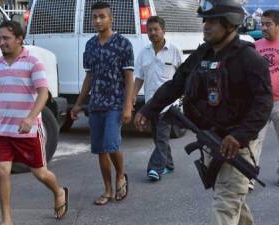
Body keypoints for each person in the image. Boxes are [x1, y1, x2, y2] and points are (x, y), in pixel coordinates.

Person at [134, 0, 272, 224]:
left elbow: (263, 103)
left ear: (230, 24)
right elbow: (176, 84)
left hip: (236, 146)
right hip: (210, 140)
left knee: (225, 205)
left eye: (213, 21)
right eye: (205, 20)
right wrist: (149, 108)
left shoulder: (249, 59)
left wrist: (239, 136)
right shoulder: (203, 55)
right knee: (231, 199)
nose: (206, 26)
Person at [0, 21, 68, 225]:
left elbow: (43, 93)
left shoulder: (33, 62)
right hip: (4, 130)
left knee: (39, 172)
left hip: (29, 132)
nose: (1, 42)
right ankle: (7, 219)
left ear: (19, 40)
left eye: (6, 38)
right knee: (1, 171)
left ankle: (58, 192)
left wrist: (31, 118)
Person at [71, 1, 133, 205]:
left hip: (115, 103)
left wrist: (127, 106)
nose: (97, 20)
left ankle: (121, 176)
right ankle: (107, 189)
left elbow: (129, 78)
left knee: (111, 144)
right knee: (100, 149)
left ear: (111, 18)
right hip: (96, 104)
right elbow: (89, 77)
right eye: (94, 17)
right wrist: (79, 103)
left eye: (102, 16)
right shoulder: (90, 45)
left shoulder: (124, 44)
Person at [132, 16, 183, 181]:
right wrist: (132, 96)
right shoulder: (144, 53)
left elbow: (183, 77)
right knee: (158, 136)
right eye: (150, 30)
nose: (153, 33)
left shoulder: (174, 51)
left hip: (169, 105)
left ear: (163, 30)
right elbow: (139, 78)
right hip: (150, 104)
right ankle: (169, 164)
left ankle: (155, 168)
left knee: (161, 135)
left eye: (156, 29)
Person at [253, 9, 279, 187]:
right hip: (260, 103)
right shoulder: (256, 46)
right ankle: (248, 178)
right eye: (261, 24)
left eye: (268, 24)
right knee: (253, 142)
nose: (263, 27)